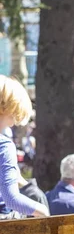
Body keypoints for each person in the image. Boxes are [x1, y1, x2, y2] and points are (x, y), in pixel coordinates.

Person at [0, 76, 48, 219]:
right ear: (7, 108)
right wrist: (43, 210)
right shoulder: (4, 146)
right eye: (14, 116)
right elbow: (12, 199)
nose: (13, 123)